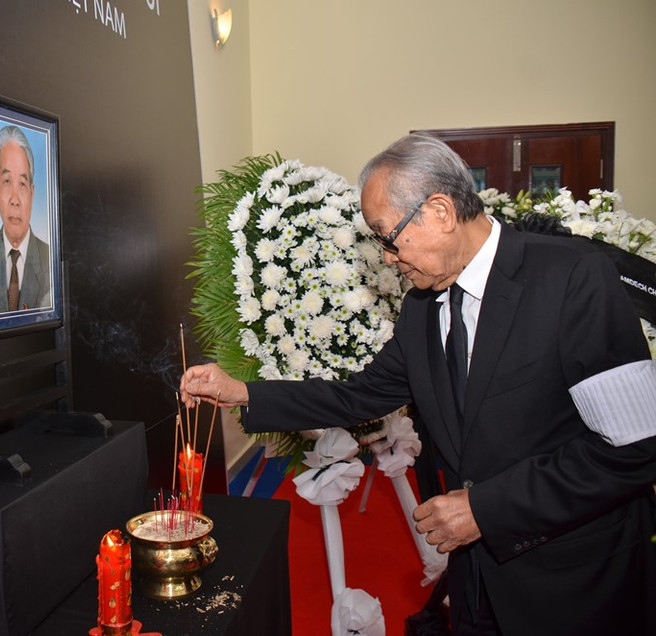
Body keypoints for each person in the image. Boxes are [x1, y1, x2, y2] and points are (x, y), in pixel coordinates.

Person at [180, 133, 656, 635]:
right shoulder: (423, 308)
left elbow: (636, 447)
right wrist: (243, 392)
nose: (387, 257)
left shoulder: (572, 277)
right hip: (476, 578)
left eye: (388, 236)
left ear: (440, 211)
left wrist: (486, 509)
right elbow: (360, 394)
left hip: (572, 584)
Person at [0, 125, 51, 315]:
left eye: (22, 184)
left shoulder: (52, 262)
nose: (15, 200)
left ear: (32, 194)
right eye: (7, 181)